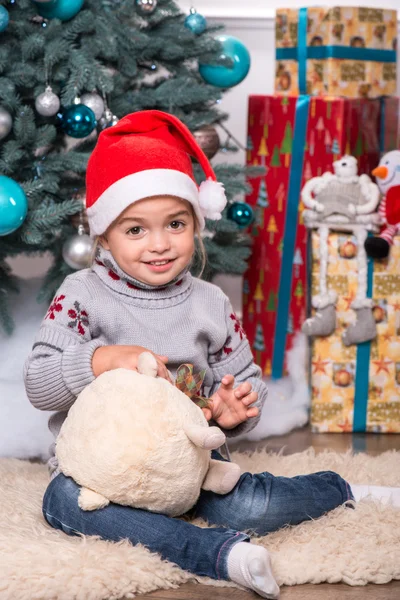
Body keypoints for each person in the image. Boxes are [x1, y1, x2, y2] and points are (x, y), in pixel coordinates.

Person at [24, 111, 400, 599]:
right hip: (101, 470)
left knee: (245, 505)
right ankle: (220, 556)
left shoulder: (210, 303)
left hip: (190, 466)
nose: (160, 245)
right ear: (103, 234)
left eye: (176, 224)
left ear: (196, 224)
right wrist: (100, 360)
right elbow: (38, 383)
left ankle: (340, 492)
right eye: (135, 230)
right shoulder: (81, 294)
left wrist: (233, 410)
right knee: (65, 503)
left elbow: (244, 379)